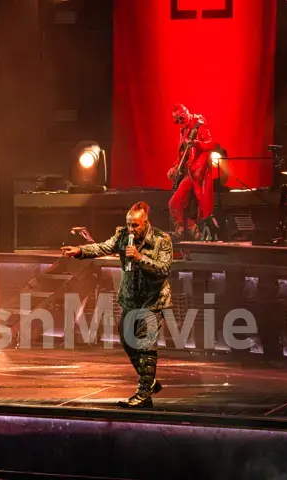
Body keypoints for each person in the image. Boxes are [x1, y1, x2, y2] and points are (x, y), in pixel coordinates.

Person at [61, 202, 173, 408]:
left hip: (152, 300)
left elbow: (163, 269)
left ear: (146, 223)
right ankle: (149, 383)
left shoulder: (161, 239)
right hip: (130, 299)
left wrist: (140, 258)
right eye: (129, 225)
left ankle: (143, 394)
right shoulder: (123, 236)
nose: (131, 229)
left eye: (135, 226)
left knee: (145, 346)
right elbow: (103, 246)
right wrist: (79, 250)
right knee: (127, 341)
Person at [167, 104, 215, 240]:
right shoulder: (183, 131)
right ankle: (189, 233)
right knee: (178, 206)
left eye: (181, 117)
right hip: (189, 173)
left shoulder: (198, 123)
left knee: (184, 205)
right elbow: (183, 156)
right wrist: (174, 167)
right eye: (176, 120)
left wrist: (197, 143)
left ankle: (195, 234)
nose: (179, 122)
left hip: (198, 173)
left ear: (187, 112)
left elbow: (212, 143)